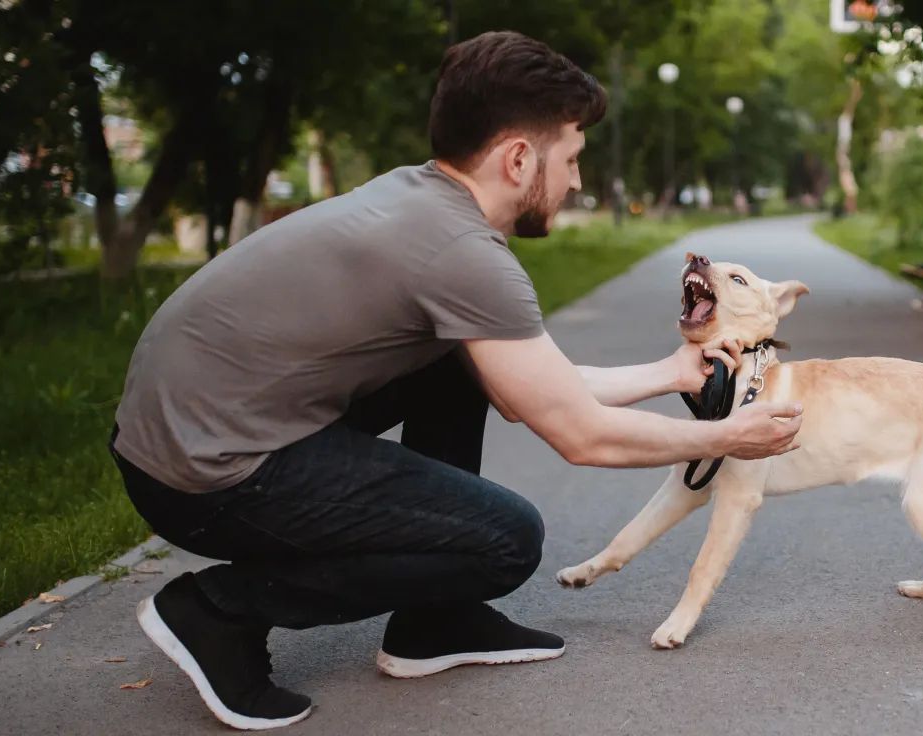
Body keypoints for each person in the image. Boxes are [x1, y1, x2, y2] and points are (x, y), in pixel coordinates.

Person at [107, 31, 804, 731]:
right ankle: (220, 612)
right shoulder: (463, 254)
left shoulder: (420, 200)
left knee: (455, 366)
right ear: (519, 157)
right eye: (572, 160)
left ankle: (434, 625)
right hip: (207, 477)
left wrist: (668, 372)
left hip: (186, 438)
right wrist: (726, 436)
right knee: (504, 539)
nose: (578, 182)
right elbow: (580, 435)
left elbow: (538, 387)